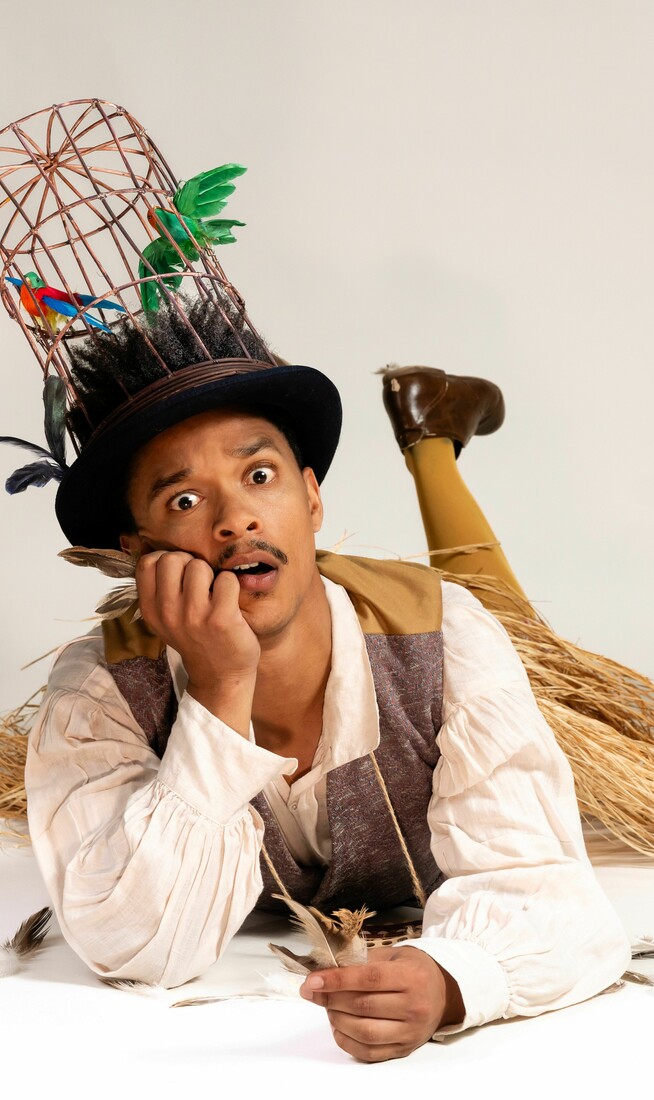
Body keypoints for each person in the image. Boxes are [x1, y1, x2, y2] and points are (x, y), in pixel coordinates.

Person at [21, 300, 630, 1064]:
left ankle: (432, 439)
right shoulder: (101, 691)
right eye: (185, 499)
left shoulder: (445, 639)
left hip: (428, 617)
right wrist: (218, 688)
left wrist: (454, 979)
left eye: (260, 475)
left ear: (311, 499)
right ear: (138, 551)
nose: (237, 520)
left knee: (512, 620)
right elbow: (140, 947)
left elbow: (553, 895)